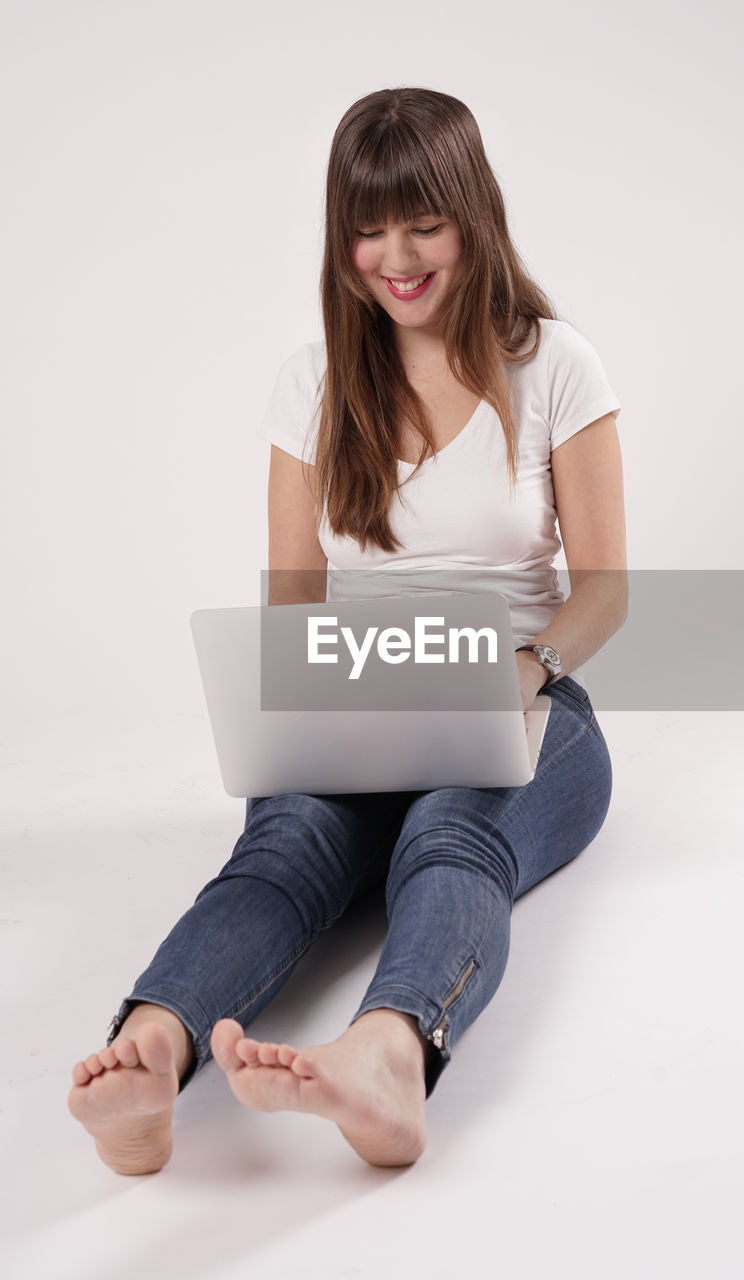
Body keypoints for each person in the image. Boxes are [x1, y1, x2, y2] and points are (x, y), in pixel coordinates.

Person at [68, 87, 627, 1175]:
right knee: (283, 849)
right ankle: (151, 1045)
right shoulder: (313, 382)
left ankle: (388, 1055)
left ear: (473, 215)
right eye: (368, 226)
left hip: (525, 695)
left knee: (450, 836)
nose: (395, 255)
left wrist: (528, 666)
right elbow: (293, 599)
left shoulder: (555, 363)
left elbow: (606, 589)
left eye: (423, 222)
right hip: (358, 691)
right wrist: (301, 714)